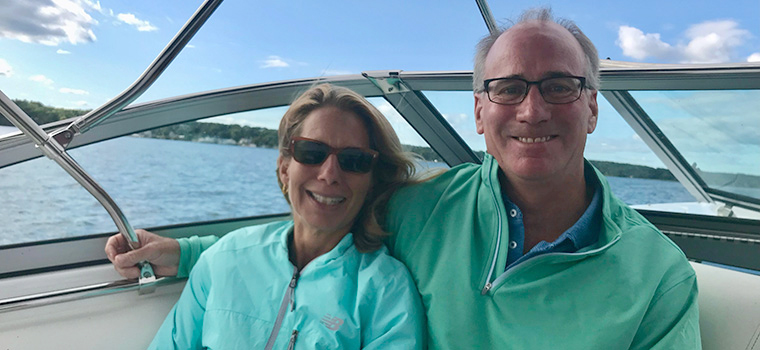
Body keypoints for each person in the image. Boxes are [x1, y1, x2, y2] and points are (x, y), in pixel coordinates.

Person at [107, 8, 701, 349]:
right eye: (508, 88)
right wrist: (185, 252)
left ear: (593, 107)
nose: (531, 109)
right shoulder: (425, 209)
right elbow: (319, 216)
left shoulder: (658, 279)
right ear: (478, 111)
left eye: (560, 86)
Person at [107, 84, 426, 349]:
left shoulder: (385, 290)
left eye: (354, 160)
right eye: (312, 153)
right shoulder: (224, 260)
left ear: (372, 181)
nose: (330, 174)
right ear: (285, 169)